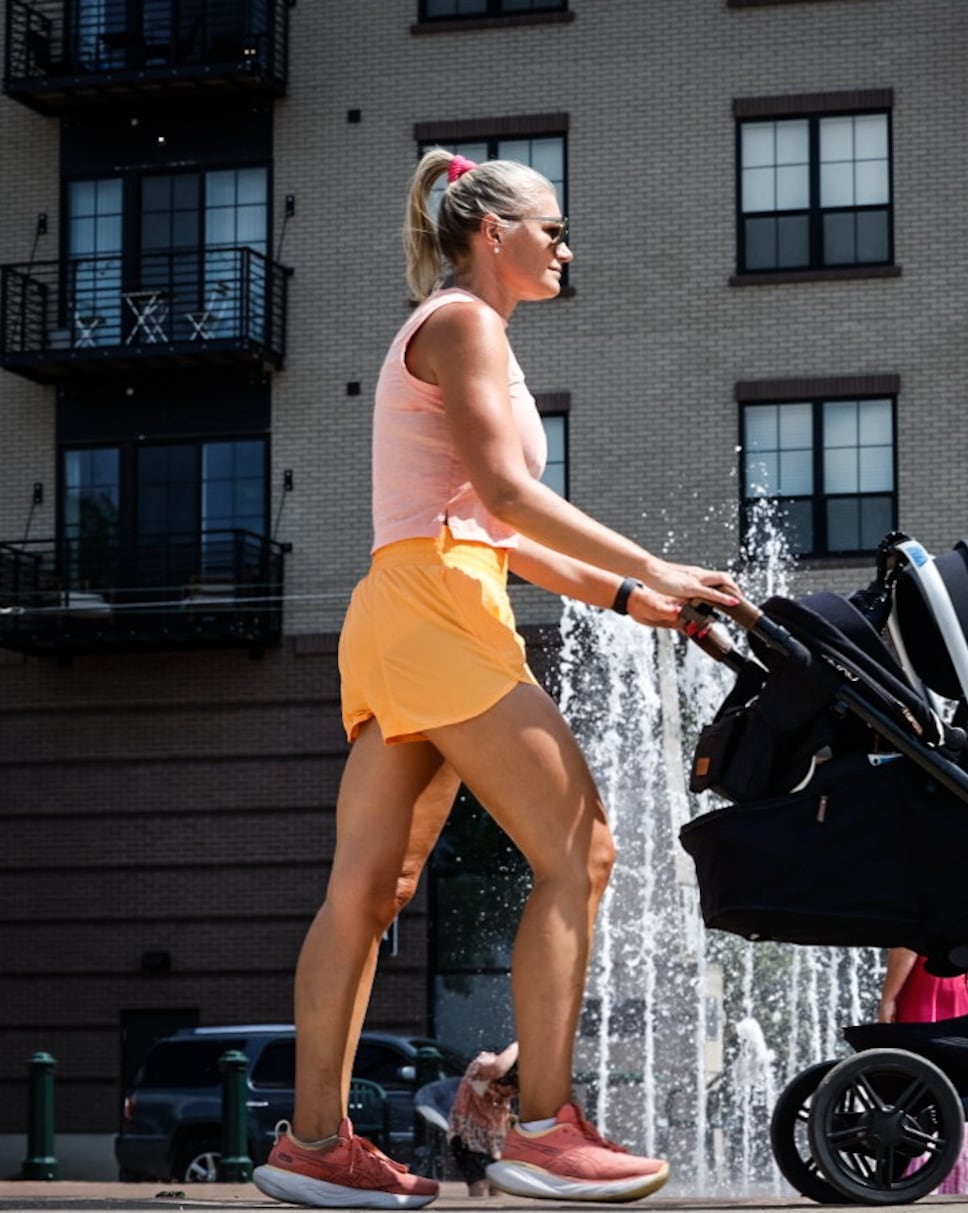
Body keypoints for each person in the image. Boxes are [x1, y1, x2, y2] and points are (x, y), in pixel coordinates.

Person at [251, 148, 741, 1210]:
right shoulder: (463, 324)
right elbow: (510, 498)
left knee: (368, 890)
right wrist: (651, 564)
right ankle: (540, 1129)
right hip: (438, 611)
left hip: (408, 604)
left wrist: (625, 600)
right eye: (550, 226)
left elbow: (494, 528)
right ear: (492, 232)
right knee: (582, 852)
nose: (565, 245)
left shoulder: (471, 334)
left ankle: (315, 1143)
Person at [878, 948, 968, 1195]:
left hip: (936, 984)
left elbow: (906, 946)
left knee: (924, 1082)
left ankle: (921, 1175)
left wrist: (887, 999)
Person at [449, 1043, 520, 1196]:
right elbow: (498, 1068)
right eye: (509, 1089)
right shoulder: (483, 1065)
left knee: (499, 1187)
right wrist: (519, 1044)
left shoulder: (513, 1085)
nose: (510, 1094)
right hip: (467, 1137)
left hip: (494, 1141)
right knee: (480, 1186)